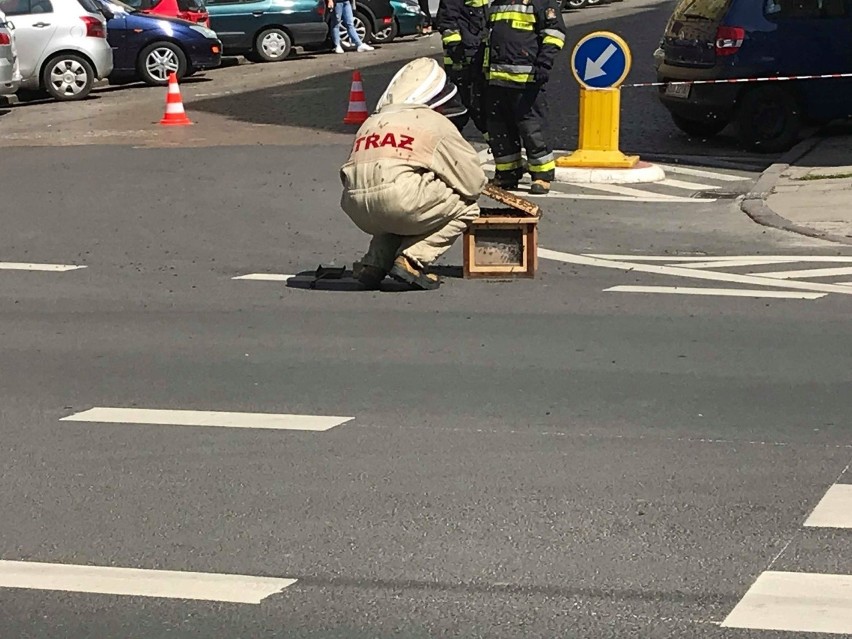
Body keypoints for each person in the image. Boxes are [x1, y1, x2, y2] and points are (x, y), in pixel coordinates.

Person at [339, 58, 487, 291]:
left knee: (392, 207)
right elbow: (473, 183)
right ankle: (412, 260)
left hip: (355, 208)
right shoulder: (433, 121)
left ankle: (374, 264)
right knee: (467, 206)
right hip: (400, 202)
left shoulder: (372, 121)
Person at [485, 0, 565, 194]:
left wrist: (544, 63)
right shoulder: (497, 4)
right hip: (496, 79)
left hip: (526, 80)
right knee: (500, 130)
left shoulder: (541, 3)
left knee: (532, 128)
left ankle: (542, 175)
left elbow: (555, 34)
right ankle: (507, 174)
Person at [435, 0, 489, 135]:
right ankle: (449, 142)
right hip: (461, 60)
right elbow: (447, 22)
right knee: (459, 109)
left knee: (482, 108)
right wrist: (456, 49)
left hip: (478, 55)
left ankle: (495, 145)